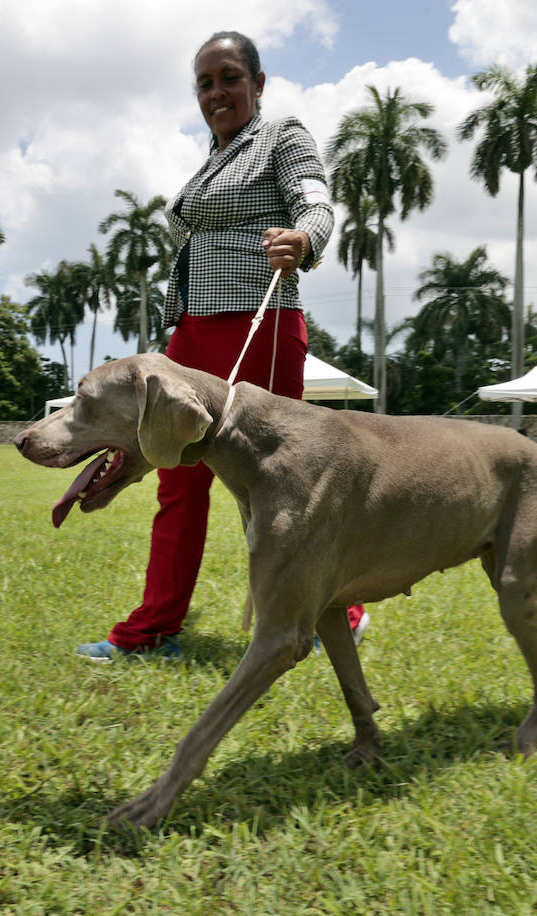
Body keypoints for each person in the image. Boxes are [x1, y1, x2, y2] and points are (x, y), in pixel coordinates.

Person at [75, 31, 367, 661]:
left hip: (258, 324)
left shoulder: (281, 136)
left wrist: (305, 240)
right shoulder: (209, 161)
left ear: (257, 84)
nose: (217, 93)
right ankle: (153, 630)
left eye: (229, 78)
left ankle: (335, 612)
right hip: (192, 333)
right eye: (205, 83)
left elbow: (315, 199)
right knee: (175, 477)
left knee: (274, 483)